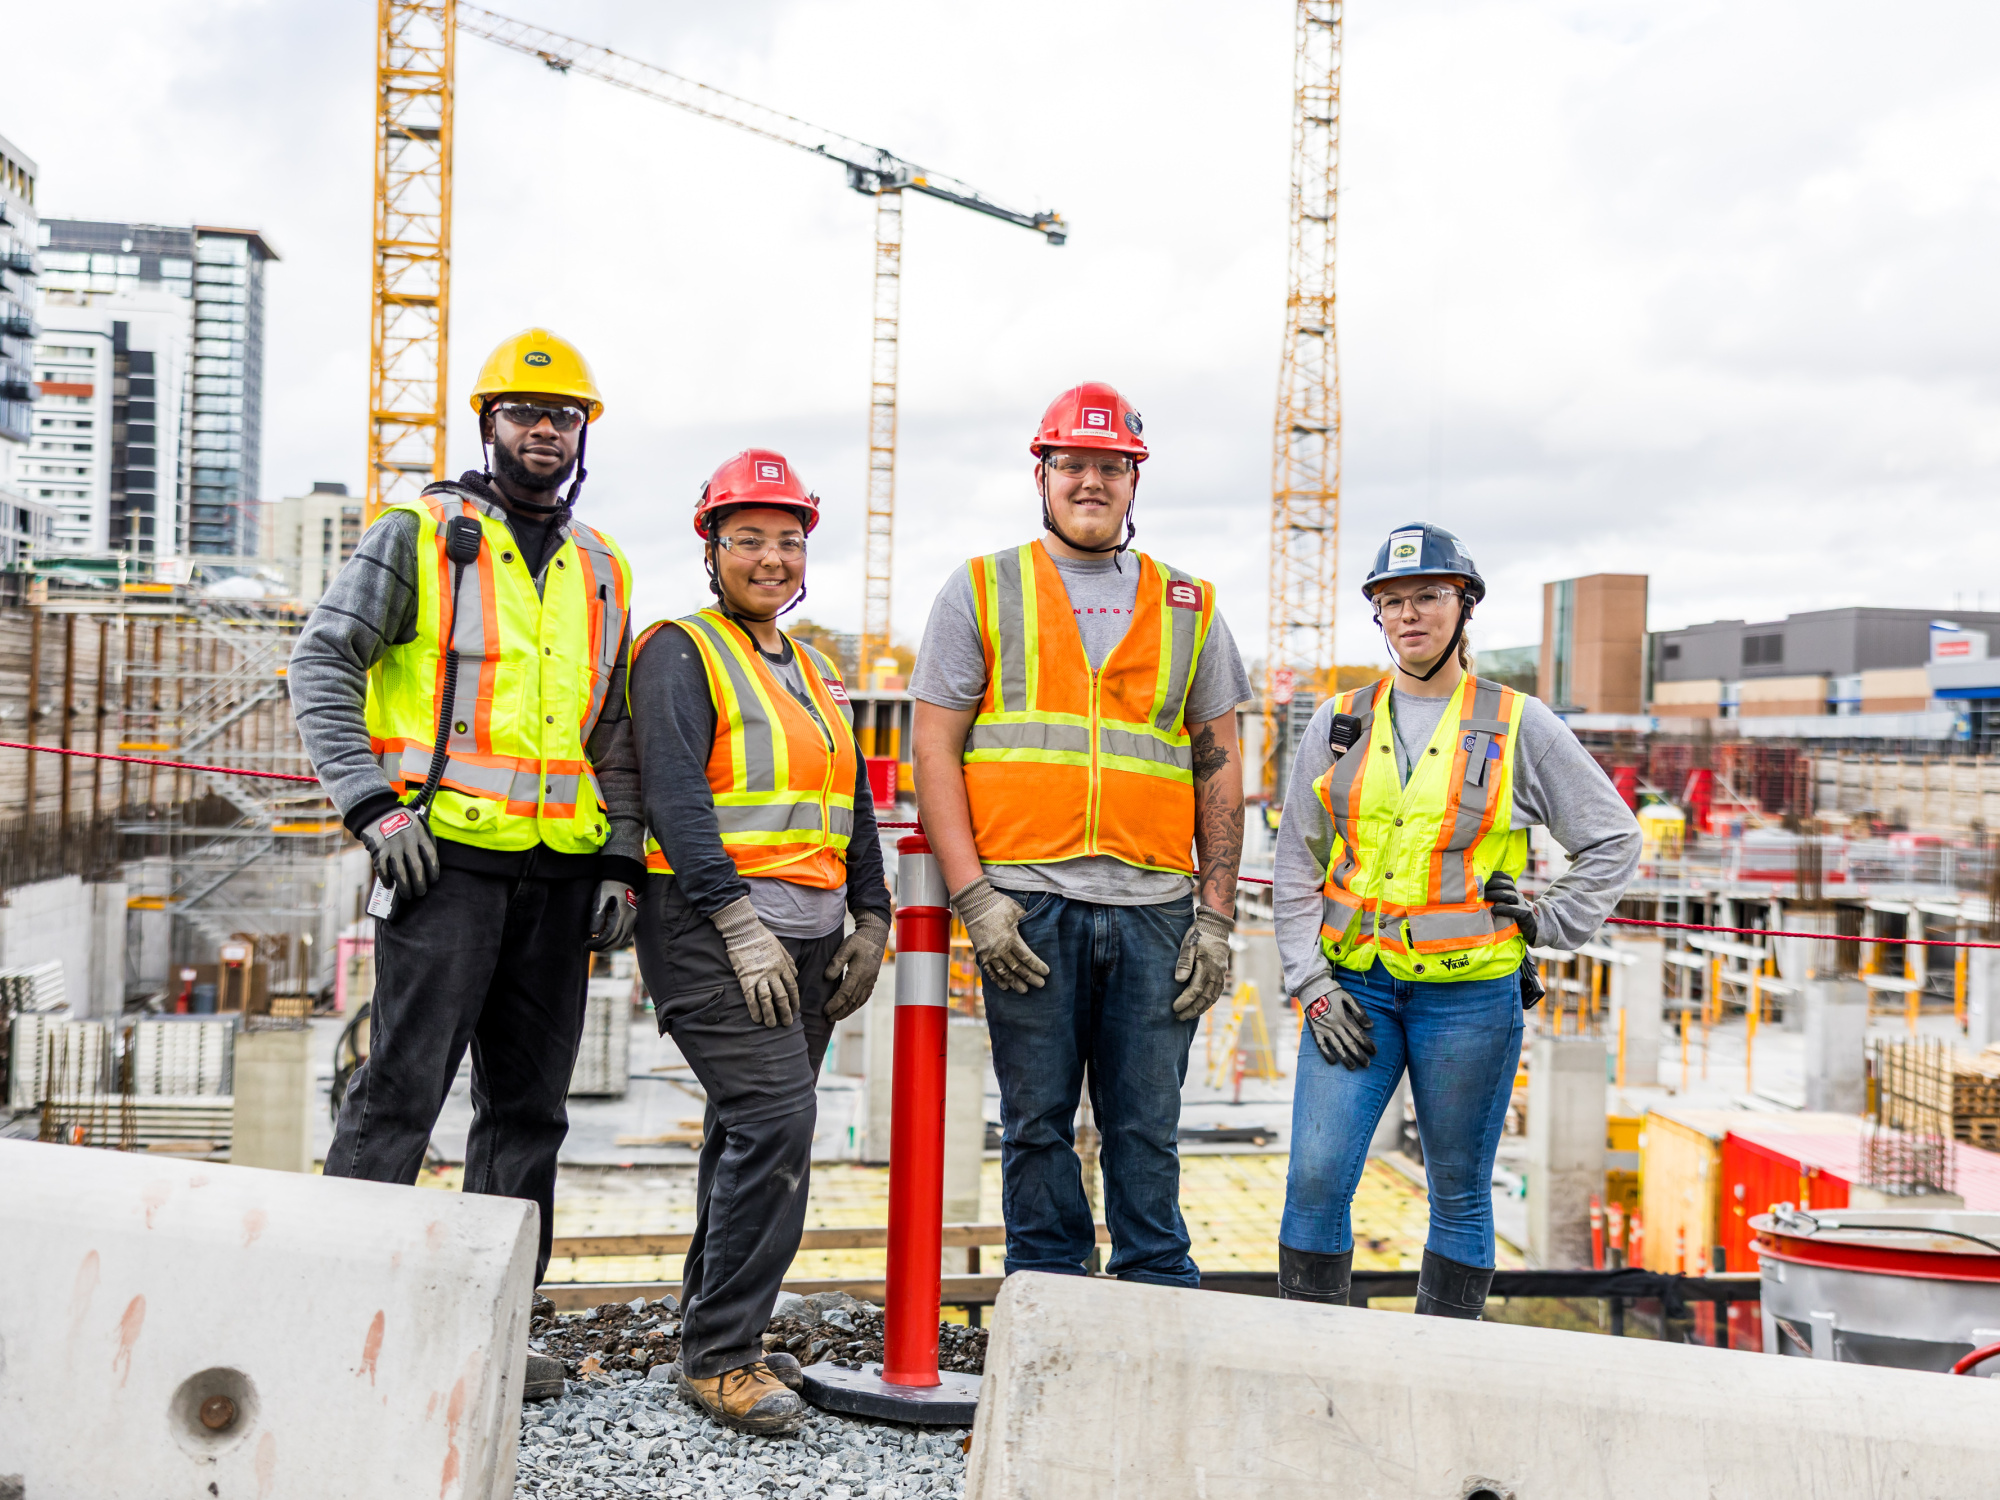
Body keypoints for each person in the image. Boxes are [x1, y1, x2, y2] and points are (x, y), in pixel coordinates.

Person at [291, 328, 641, 1394]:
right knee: (398, 1091)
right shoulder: (419, 534)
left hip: (563, 875)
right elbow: (321, 661)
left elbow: (613, 727)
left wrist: (621, 858)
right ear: (488, 425)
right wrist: (374, 810)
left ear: (583, 434)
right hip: (443, 868)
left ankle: (493, 1330)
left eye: (563, 416)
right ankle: (335, 1328)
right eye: (525, 415)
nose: (545, 431)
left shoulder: (601, 565)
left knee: (529, 1113)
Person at [911, 382, 1252, 1289]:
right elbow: (933, 753)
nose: (1091, 481)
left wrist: (1214, 918)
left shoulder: (1189, 605)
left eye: (1111, 466)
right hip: (1028, 907)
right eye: (1074, 464)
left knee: (1148, 1128)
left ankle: (1156, 1302)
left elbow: (1221, 768)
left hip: (1154, 914)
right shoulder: (983, 587)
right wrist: (975, 899)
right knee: (1035, 1124)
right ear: (1043, 473)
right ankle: (1048, 1301)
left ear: (1135, 480)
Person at [1273, 521, 1640, 1315]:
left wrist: (1553, 920)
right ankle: (1312, 1367)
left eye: (1429, 596)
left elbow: (1612, 837)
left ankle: (1440, 1367)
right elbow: (1297, 860)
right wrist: (1308, 983)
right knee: (1314, 1179)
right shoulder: (1341, 721)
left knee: (1461, 1193)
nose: (1410, 615)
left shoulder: (1518, 724)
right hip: (1354, 995)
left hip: (1469, 999)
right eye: (1393, 601)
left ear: (1464, 605)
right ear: (1378, 615)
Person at [628, 449, 892, 1436]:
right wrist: (737, 924)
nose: (771, 558)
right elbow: (676, 798)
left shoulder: (813, 666)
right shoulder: (679, 651)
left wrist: (873, 916)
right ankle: (724, 1356)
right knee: (776, 1122)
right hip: (713, 933)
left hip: (813, 940)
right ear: (712, 547)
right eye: (749, 539)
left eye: (787, 540)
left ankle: (714, 1327)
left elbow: (852, 800)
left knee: (745, 1133)